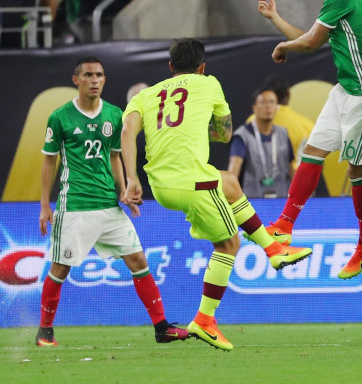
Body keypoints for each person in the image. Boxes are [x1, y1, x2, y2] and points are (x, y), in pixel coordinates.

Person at [121, 38, 312, 351]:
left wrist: (131, 179)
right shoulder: (209, 84)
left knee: (229, 182)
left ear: (170, 67)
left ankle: (274, 250)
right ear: (202, 67)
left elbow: (128, 132)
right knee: (228, 244)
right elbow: (224, 135)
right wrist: (199, 128)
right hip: (192, 183)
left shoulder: (145, 95)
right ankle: (205, 320)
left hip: (160, 184)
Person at [36, 57, 191, 348]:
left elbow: (114, 156)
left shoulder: (114, 114)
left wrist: (124, 191)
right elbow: (49, 161)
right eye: (88, 75)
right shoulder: (60, 117)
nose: (95, 80)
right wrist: (46, 204)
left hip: (109, 206)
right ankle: (45, 331)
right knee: (60, 268)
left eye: (99, 75)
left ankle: (162, 327)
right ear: (76, 80)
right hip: (75, 207)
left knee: (139, 260)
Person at [257, 0, 362, 279]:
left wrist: (283, 46)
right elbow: (313, 38)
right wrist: (276, 19)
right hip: (345, 89)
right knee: (312, 153)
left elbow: (310, 42)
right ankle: (285, 226)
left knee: (359, 171)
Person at [228, 86, 294, 197]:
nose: (268, 106)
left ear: (277, 107)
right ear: (254, 108)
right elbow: (232, 173)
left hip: (282, 202)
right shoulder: (242, 136)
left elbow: (291, 168)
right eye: (263, 102)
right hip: (253, 203)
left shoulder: (283, 134)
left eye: (272, 102)